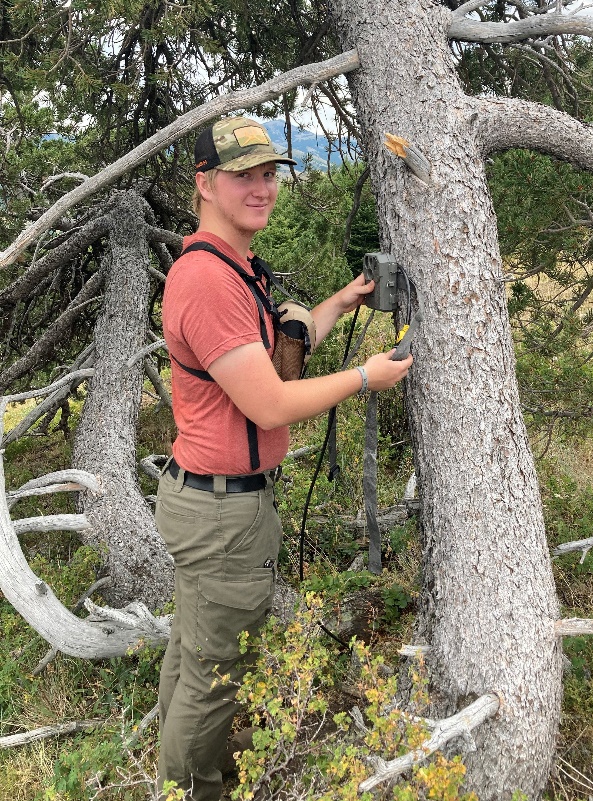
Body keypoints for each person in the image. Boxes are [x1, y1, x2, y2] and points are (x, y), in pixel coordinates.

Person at [155, 115, 412, 801]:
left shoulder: (232, 267)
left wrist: (337, 301)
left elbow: (272, 355)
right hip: (221, 512)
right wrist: (366, 377)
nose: (261, 187)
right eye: (244, 175)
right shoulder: (208, 281)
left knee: (193, 658)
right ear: (204, 183)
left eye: (269, 173)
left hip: (217, 504)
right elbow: (269, 402)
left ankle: (188, 774)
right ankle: (187, 789)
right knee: (212, 678)